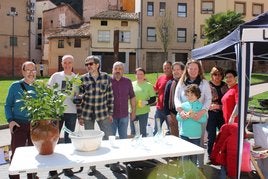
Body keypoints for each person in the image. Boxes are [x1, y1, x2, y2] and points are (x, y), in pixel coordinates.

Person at [76, 55, 114, 176]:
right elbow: (78, 98)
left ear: (97, 65)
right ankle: (92, 167)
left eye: (90, 64)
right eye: (86, 64)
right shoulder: (82, 79)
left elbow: (110, 97)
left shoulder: (106, 77)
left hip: (103, 113)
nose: (88, 66)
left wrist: (110, 113)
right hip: (87, 114)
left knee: (109, 137)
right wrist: (79, 116)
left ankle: (113, 163)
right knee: (89, 142)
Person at [174, 59, 211, 167]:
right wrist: (180, 111)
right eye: (191, 68)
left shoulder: (204, 83)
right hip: (184, 118)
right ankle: (184, 166)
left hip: (200, 117)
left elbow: (208, 99)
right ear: (187, 69)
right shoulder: (181, 82)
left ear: (199, 70)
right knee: (184, 143)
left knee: (198, 143)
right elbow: (176, 97)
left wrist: (202, 112)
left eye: (196, 68)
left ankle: (199, 165)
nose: (193, 71)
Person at [5, 61, 38, 179]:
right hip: (19, 125)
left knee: (33, 154)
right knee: (16, 154)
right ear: (23, 72)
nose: (31, 73)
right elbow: (8, 105)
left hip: (35, 126)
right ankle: (14, 177)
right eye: (28, 70)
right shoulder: (15, 86)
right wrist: (10, 121)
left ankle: (32, 176)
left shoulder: (39, 87)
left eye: (33, 70)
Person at [47, 55, 78, 177]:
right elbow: (48, 92)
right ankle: (52, 170)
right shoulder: (56, 76)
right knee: (53, 139)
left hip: (71, 112)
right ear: (61, 63)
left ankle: (66, 167)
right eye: (65, 62)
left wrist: (78, 98)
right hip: (57, 111)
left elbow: (78, 95)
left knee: (68, 140)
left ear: (73, 63)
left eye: (69, 62)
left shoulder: (76, 78)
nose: (67, 65)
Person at [176, 84, 207, 165]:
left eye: (192, 95)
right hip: (184, 134)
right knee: (185, 156)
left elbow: (204, 119)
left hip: (195, 135)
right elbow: (178, 117)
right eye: (188, 95)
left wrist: (195, 116)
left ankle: (193, 174)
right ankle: (185, 174)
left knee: (194, 156)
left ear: (197, 95)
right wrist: (182, 116)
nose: (189, 97)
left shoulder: (201, 106)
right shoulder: (183, 105)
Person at [206, 67, 228, 162]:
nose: (217, 76)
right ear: (211, 75)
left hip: (223, 113)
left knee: (223, 135)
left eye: (219, 74)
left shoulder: (225, 85)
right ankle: (210, 155)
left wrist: (218, 106)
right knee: (211, 136)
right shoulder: (207, 85)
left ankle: (222, 155)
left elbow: (229, 101)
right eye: (215, 74)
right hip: (211, 114)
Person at [111, 61, 136, 139]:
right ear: (112, 70)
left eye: (120, 69)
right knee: (110, 138)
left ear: (123, 71)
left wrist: (133, 111)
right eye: (116, 69)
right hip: (111, 116)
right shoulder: (107, 81)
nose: (118, 70)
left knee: (124, 138)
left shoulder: (127, 81)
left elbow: (132, 96)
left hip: (124, 115)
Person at [131, 67, 156, 137]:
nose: (139, 76)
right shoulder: (131, 84)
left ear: (144, 75)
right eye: (137, 74)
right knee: (133, 132)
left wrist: (145, 102)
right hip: (132, 111)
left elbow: (153, 99)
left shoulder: (148, 85)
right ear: (135, 75)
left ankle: (143, 146)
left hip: (144, 112)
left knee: (143, 132)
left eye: (141, 74)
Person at [163, 62, 185, 137]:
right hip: (173, 114)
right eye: (174, 70)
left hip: (185, 113)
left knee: (185, 137)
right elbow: (165, 101)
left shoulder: (187, 83)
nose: (176, 72)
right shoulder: (169, 83)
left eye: (178, 69)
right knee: (174, 137)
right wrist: (168, 115)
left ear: (183, 71)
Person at [154, 61, 173, 134]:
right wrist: (147, 83)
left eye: (168, 68)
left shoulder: (175, 79)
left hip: (170, 111)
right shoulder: (160, 78)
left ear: (171, 68)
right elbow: (156, 89)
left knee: (172, 131)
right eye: (164, 68)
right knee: (156, 131)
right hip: (159, 109)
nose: (166, 70)